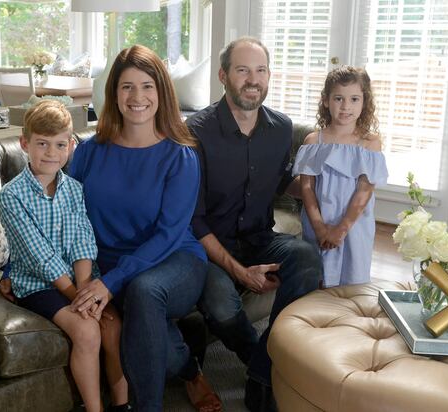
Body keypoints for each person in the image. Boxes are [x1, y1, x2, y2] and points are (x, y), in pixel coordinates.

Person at [69, 45, 222, 412]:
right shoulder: (88, 153)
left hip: (173, 259)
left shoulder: (180, 155)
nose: (137, 97)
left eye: (147, 86)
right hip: (109, 266)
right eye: (126, 87)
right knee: (144, 318)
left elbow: (169, 234)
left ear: (161, 93)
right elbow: (64, 215)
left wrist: (109, 282)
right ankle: (189, 369)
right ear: (113, 94)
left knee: (143, 290)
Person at [186, 37, 323, 412]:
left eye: (260, 71)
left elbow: (281, 184)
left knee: (307, 259)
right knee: (222, 306)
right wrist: (241, 273)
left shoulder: (280, 127)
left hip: (261, 236)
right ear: (223, 76)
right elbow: (193, 220)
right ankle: (265, 360)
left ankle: (262, 372)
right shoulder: (195, 131)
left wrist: (323, 180)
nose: (253, 79)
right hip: (208, 247)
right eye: (243, 70)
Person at [0, 100, 129, 412]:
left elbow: (81, 240)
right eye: (42, 144)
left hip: (78, 279)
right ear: (24, 143)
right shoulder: (11, 196)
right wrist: (76, 297)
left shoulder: (74, 189)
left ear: (70, 146)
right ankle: (93, 408)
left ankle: (122, 405)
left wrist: (85, 290)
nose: (50, 153)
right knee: (86, 329)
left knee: (112, 327)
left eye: (59, 145)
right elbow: (39, 256)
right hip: (38, 284)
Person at [293, 66, 388, 287]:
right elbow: (306, 188)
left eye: (354, 99)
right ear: (326, 100)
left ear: (365, 102)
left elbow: (364, 190)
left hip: (354, 226)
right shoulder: (313, 142)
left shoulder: (369, 143)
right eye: (339, 98)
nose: (346, 106)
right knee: (317, 279)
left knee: (351, 281)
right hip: (319, 222)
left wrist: (341, 229)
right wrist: (319, 227)